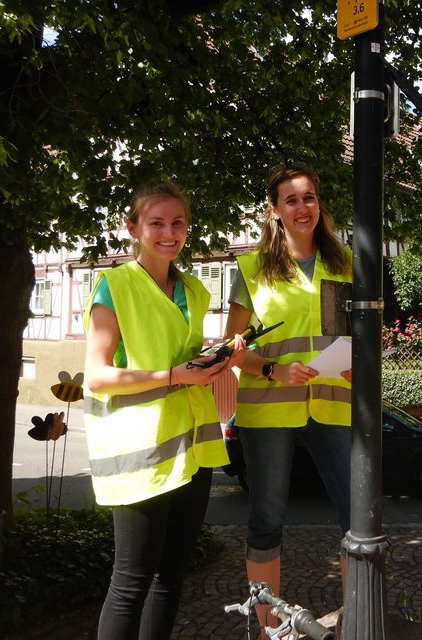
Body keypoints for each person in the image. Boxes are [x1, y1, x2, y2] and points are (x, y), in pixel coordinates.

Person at [83, 181, 246, 639]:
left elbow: (183, 358)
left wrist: (216, 360)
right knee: (130, 583)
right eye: (156, 223)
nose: (168, 232)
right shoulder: (112, 285)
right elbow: (96, 376)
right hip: (139, 450)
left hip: (192, 446)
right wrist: (176, 375)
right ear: (133, 228)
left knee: (171, 575)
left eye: (178, 223)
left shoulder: (194, 289)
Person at [223, 163, 352, 637]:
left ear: (320, 205)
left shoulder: (345, 264)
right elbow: (233, 347)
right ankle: (264, 629)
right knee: (266, 520)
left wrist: (357, 361)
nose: (303, 207)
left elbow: (348, 335)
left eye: (310, 198)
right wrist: (275, 369)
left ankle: (353, 619)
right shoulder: (251, 268)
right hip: (269, 407)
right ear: (274, 211)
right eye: (292, 200)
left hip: (335, 403)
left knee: (356, 516)